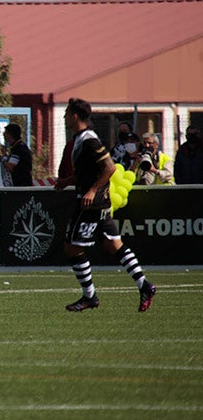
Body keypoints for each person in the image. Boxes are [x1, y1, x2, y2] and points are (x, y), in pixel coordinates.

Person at [54, 98, 156, 313]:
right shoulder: (82, 138)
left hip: (91, 203)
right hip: (99, 202)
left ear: (74, 116)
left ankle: (89, 296)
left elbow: (109, 167)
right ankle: (145, 285)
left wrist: (91, 191)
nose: (64, 117)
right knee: (114, 245)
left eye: (66, 113)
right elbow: (87, 172)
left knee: (72, 247)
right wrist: (67, 181)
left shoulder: (89, 139)